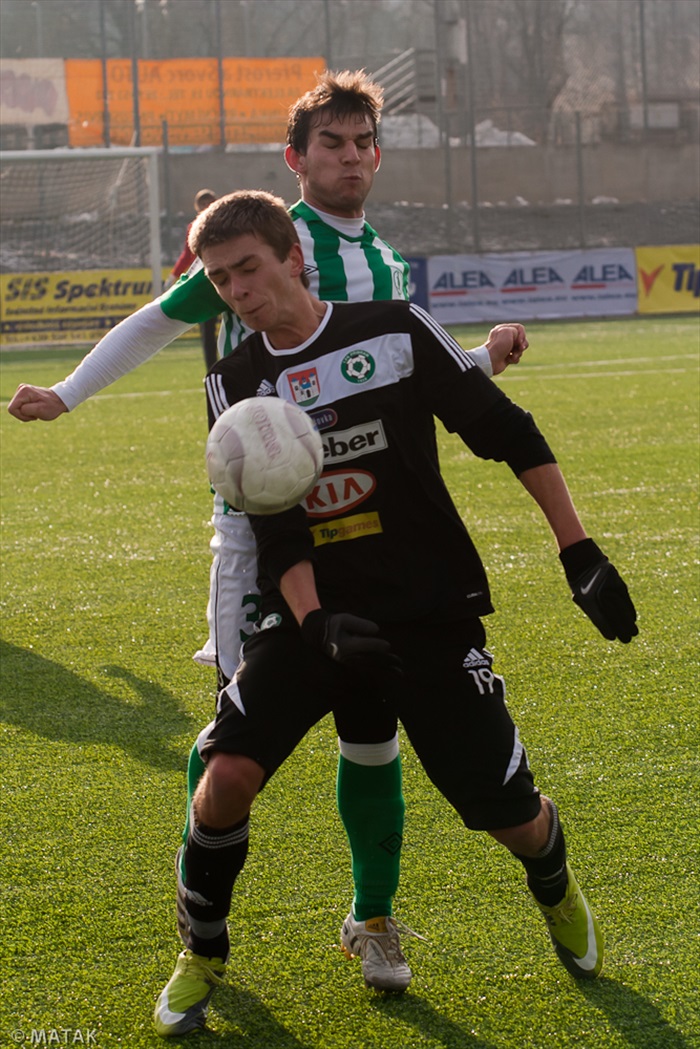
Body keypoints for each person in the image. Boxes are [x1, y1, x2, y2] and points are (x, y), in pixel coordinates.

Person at [7, 71, 526, 992]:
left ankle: (374, 919)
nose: (352, 158)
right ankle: (200, 941)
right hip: (264, 538)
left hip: (368, 531)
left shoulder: (390, 265)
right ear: (298, 158)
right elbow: (157, 322)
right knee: (231, 746)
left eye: (364, 143)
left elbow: (406, 373)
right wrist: (68, 393)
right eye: (333, 143)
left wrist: (481, 358)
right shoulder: (256, 247)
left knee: (373, 735)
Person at [153, 189, 637, 1037]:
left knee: (507, 815)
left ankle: (554, 880)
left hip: (428, 606)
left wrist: (579, 552)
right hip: (313, 619)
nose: (236, 290)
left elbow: (508, 432)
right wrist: (312, 623)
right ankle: (203, 948)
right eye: (222, 279)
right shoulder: (233, 386)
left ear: (293, 257)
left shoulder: (397, 328)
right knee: (225, 776)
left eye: (250, 269)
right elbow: (278, 536)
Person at [166, 188, 219, 370]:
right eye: (204, 204)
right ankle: (212, 368)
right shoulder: (194, 228)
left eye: (211, 202)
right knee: (207, 331)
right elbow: (187, 255)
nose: (208, 206)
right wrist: (174, 275)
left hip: (228, 281)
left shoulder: (226, 222)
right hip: (206, 285)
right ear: (198, 208)